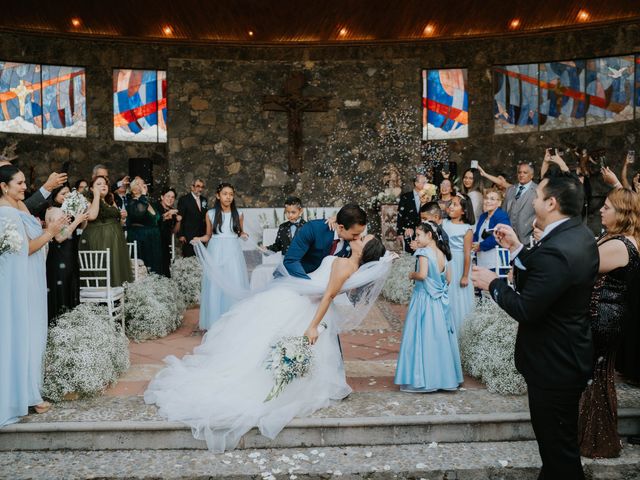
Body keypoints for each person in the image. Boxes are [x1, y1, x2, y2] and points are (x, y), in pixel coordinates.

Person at [144, 235, 389, 452]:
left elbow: (328, 295)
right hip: (301, 300)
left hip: (307, 308)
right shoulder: (350, 263)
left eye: (363, 240)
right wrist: (386, 260)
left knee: (262, 342)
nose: (359, 237)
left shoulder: (346, 264)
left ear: (363, 251)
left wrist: (312, 326)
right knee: (257, 341)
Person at [471, 172, 599, 480]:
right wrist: (516, 248)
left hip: (553, 363)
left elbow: (527, 308)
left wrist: (494, 284)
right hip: (567, 356)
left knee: (559, 452)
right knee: (556, 449)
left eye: (539, 197)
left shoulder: (558, 247)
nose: (534, 201)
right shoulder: (579, 234)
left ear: (552, 203)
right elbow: (546, 276)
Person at [0, 165, 68, 426]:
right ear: (4, 186)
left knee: (33, 333)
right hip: (19, 281)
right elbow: (25, 248)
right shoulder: (5, 213)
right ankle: (22, 394)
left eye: (24, 181)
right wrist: (51, 232)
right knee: (23, 333)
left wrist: (53, 228)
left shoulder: (20, 206)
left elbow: (36, 235)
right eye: (19, 183)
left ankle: (29, 391)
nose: (24, 186)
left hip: (31, 278)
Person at [578, 187, 640, 458]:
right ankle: (591, 436)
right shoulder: (620, 238)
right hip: (605, 314)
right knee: (597, 378)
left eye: (607, 207)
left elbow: (581, 268)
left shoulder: (619, 245)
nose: (601, 210)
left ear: (622, 213)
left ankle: (596, 440)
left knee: (596, 378)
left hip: (603, 317)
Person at [395, 222, 463, 392]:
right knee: (439, 339)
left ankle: (423, 379)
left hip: (423, 299)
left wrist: (412, 274)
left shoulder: (424, 252)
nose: (416, 238)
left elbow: (423, 275)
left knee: (421, 338)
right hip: (439, 302)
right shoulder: (443, 252)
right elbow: (448, 280)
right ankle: (443, 377)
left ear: (429, 235)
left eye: (418, 235)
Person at [192, 183, 249, 331]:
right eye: (225, 193)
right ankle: (215, 321)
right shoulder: (210, 214)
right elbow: (208, 235)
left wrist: (244, 235)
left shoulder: (239, 214)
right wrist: (199, 239)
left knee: (234, 281)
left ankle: (234, 321)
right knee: (215, 285)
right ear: (218, 195)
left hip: (232, 252)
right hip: (216, 251)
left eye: (231, 194)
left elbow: (240, 232)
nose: (228, 197)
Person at [284, 203, 367, 279]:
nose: (358, 237)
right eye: (355, 234)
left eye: (360, 234)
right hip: (295, 280)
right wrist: (309, 285)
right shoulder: (313, 229)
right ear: (341, 227)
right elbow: (291, 261)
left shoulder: (352, 242)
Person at [45, 185, 88, 324]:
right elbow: (59, 237)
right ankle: (60, 325)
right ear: (55, 195)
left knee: (70, 285)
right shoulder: (56, 211)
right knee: (62, 288)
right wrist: (77, 220)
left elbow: (82, 227)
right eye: (63, 193)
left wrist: (81, 214)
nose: (67, 195)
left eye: (69, 193)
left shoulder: (64, 210)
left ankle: (69, 326)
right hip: (60, 255)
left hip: (69, 253)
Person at [80, 176, 133, 287]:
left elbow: (118, 222)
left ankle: (118, 293)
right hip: (100, 239)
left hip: (116, 239)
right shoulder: (87, 200)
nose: (103, 186)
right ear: (91, 189)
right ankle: (104, 294)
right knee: (104, 265)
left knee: (116, 266)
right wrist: (97, 195)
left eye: (105, 184)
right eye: (98, 184)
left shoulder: (110, 199)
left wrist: (123, 218)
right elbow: (92, 216)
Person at [442, 194, 475, 333]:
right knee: (447, 293)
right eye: (450, 204)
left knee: (458, 296)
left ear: (463, 211)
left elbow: (467, 254)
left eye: (455, 205)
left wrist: (465, 276)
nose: (450, 206)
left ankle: (460, 330)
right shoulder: (444, 223)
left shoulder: (467, 229)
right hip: (445, 261)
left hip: (459, 262)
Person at [126, 177, 162, 274]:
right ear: (133, 190)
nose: (142, 185)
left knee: (155, 265)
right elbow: (139, 213)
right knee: (144, 265)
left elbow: (156, 219)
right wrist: (143, 195)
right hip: (141, 237)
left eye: (143, 183)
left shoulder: (147, 202)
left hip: (153, 238)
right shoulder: (132, 202)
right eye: (138, 184)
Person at [472, 189, 511, 271]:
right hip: (481, 259)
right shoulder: (483, 216)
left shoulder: (502, 216)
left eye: (492, 199)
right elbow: (477, 234)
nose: (488, 201)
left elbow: (500, 235)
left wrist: (481, 246)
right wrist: (472, 244)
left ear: (499, 203)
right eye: (486, 198)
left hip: (495, 261)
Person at [503, 162, 537, 244]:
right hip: (508, 238)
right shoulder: (510, 189)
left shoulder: (537, 190)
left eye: (525, 173)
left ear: (531, 175)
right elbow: (504, 212)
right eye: (519, 172)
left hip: (528, 239)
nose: (521, 175)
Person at [396, 173, 427, 253]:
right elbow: (400, 215)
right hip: (408, 232)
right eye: (423, 182)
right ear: (416, 183)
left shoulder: (428, 197)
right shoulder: (405, 197)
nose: (426, 184)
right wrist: (400, 232)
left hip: (424, 233)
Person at [155, 187, 182, 278]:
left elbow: (174, 231)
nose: (170, 199)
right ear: (162, 197)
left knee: (166, 268)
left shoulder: (173, 211)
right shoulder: (155, 207)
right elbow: (155, 221)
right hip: (154, 241)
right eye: (168, 196)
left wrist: (178, 221)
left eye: (172, 197)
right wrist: (167, 214)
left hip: (166, 242)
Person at [177, 178, 207, 258]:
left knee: (201, 258)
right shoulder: (184, 200)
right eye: (198, 186)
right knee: (190, 259)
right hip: (188, 236)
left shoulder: (204, 200)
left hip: (201, 235)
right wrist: (181, 234)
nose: (200, 189)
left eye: (202, 187)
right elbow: (180, 218)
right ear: (192, 187)